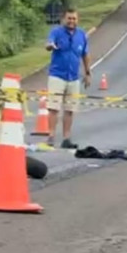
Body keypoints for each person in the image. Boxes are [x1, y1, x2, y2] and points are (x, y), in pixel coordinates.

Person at [45, 8, 91, 149]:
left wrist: (87, 73)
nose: (71, 21)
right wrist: (50, 46)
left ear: (77, 20)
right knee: (53, 107)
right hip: (57, 76)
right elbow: (48, 44)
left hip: (73, 77)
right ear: (64, 19)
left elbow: (85, 54)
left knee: (70, 109)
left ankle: (66, 138)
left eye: (74, 18)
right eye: (69, 18)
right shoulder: (56, 32)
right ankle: (51, 136)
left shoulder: (82, 35)